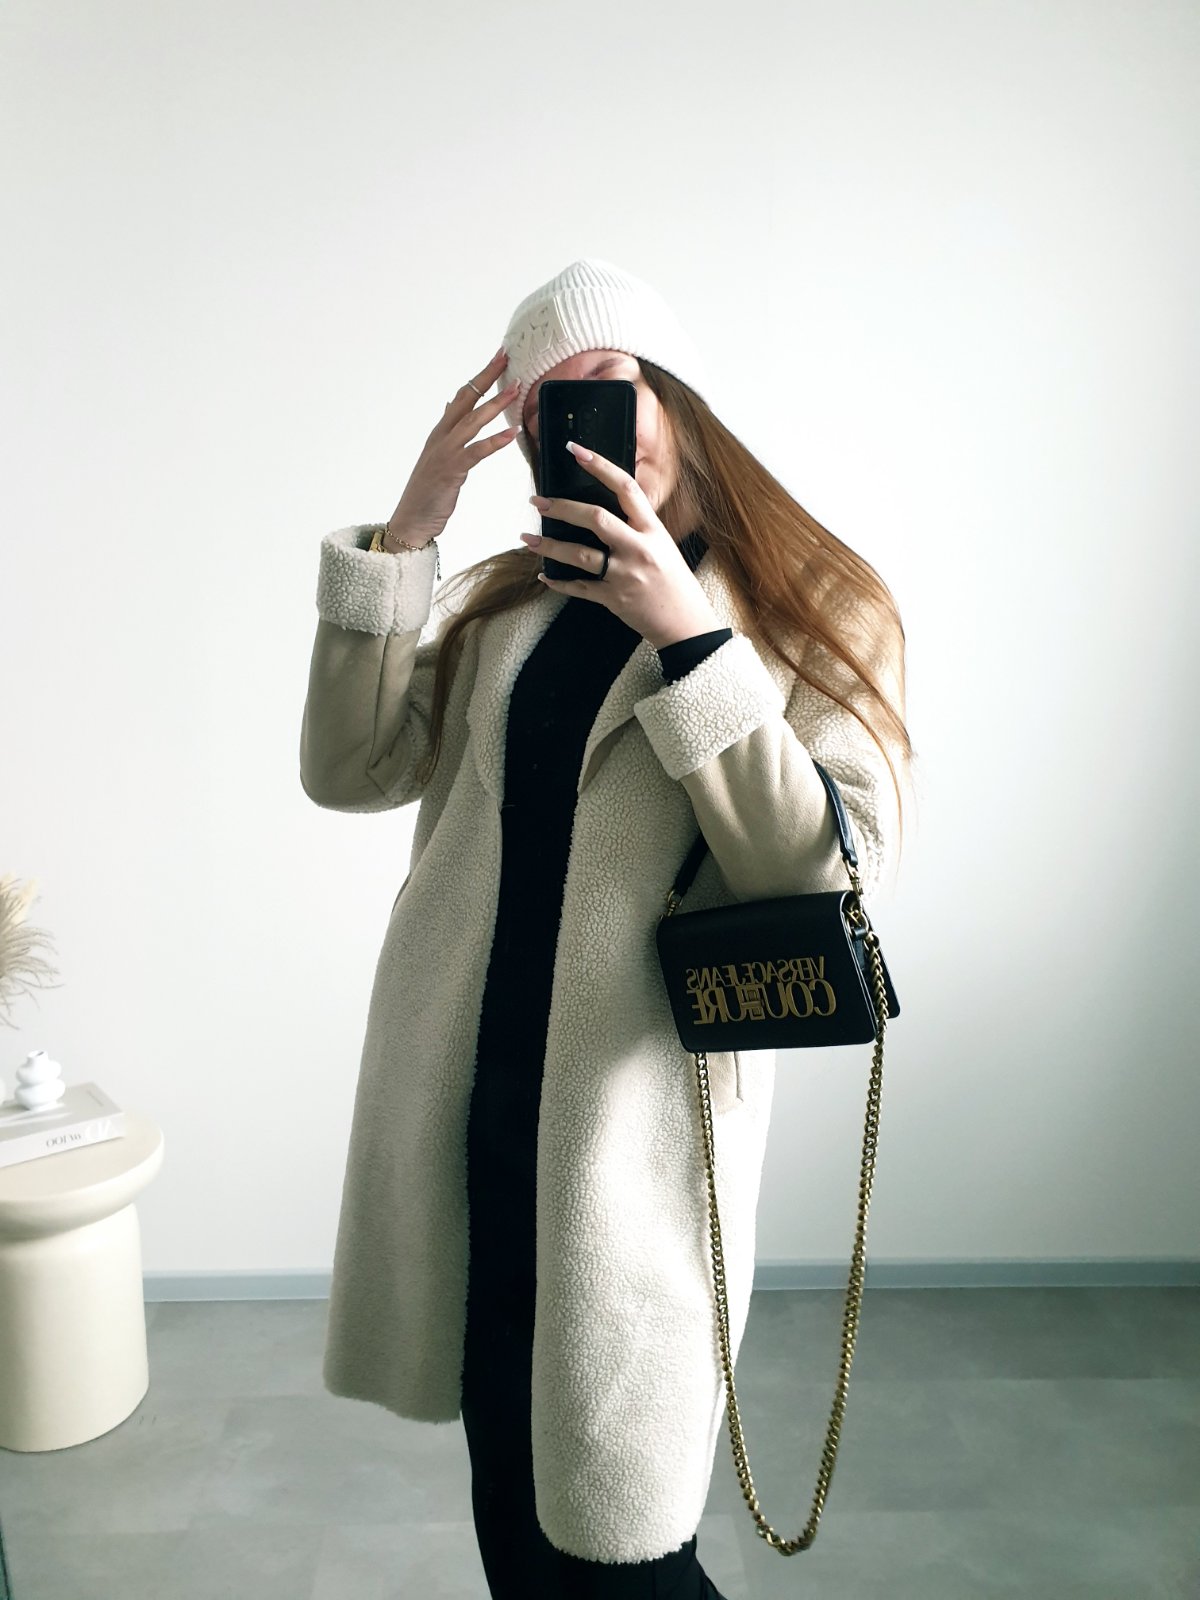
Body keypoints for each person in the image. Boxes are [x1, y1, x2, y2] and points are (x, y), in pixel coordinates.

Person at [300, 257, 912, 1598]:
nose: (577, 427)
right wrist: (408, 537)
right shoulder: (508, 605)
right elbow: (348, 769)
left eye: (608, 388)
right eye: (541, 411)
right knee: (517, 1532)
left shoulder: (813, 607)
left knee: (626, 1550)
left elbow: (821, 872)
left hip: (630, 1142)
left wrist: (689, 635)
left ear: (676, 397)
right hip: (472, 1113)